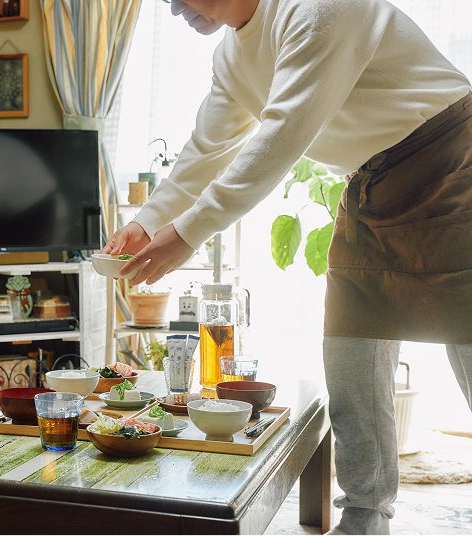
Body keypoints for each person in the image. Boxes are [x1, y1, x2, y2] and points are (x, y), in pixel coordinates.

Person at [104, 0, 472, 533]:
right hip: (369, 182)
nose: (174, 4)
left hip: (450, 161)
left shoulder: (319, 10)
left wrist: (185, 234)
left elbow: (282, 136)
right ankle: (366, 517)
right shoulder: (232, 55)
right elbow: (207, 148)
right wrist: (150, 220)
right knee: (351, 344)